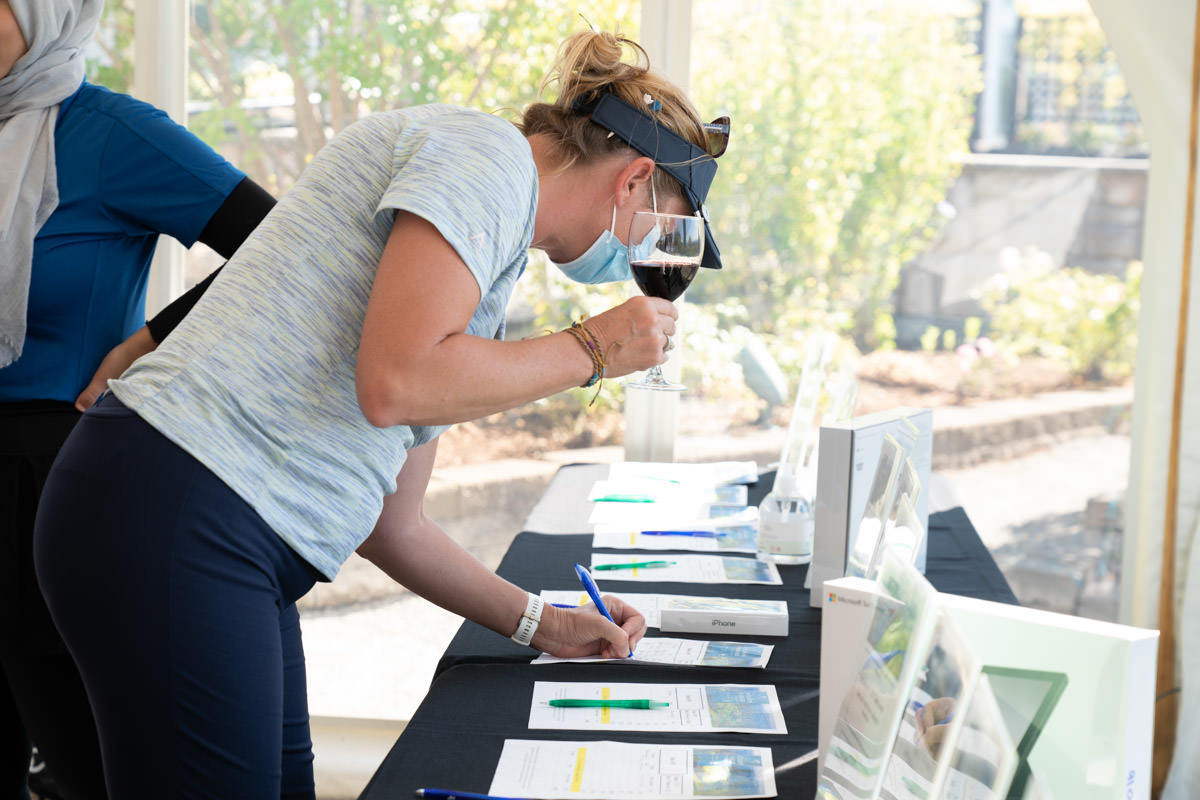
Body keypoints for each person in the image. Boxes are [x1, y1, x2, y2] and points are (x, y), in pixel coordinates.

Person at [33, 25, 728, 798]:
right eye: (665, 229)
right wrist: (591, 348)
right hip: (177, 502)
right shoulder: (488, 159)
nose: (644, 264)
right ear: (634, 180)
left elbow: (393, 525)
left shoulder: (485, 265)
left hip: (211, 524)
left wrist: (542, 623)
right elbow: (394, 381)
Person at [0, 1, 276, 797]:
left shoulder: (112, 132)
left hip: (50, 482)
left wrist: (149, 342)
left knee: (86, 770)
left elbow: (283, 246)